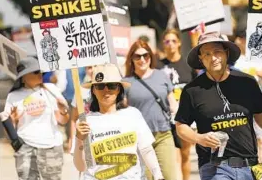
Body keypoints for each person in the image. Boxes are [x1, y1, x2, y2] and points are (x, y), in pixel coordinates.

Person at [175, 31, 262, 180]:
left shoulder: (247, 83)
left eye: (217, 52)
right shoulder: (192, 90)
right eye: (207, 54)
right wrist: (199, 138)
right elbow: (181, 126)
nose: (213, 58)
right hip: (214, 167)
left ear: (226, 53)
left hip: (249, 165)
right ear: (201, 59)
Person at [73, 64, 164, 180]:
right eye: (100, 86)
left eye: (111, 85)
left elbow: (146, 149)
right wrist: (79, 139)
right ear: (94, 90)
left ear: (119, 89)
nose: (106, 90)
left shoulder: (133, 114)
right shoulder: (84, 122)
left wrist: (158, 176)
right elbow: (80, 167)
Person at [0, 56, 69, 180]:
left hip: (51, 147)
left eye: (41, 71)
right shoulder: (13, 96)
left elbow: (63, 121)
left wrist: (63, 111)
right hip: (26, 147)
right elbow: (8, 132)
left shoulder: (52, 90)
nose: (40, 74)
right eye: (36, 72)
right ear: (24, 76)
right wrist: (13, 120)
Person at [123, 40, 178, 180]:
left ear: (150, 57)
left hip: (163, 134)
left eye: (145, 55)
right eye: (137, 56)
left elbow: (173, 104)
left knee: (170, 176)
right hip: (139, 139)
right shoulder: (126, 82)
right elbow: (122, 112)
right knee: (146, 178)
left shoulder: (161, 75)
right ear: (131, 59)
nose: (142, 59)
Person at [156, 29, 196, 180]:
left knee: (185, 154)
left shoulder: (188, 65)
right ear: (163, 45)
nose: (170, 44)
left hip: (185, 116)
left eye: (173, 41)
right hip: (165, 117)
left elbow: (195, 90)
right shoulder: (158, 66)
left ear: (179, 43)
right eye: (167, 41)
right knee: (173, 155)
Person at [234, 33, 262, 167]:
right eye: (244, 38)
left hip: (258, 105)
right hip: (239, 106)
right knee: (246, 141)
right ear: (238, 40)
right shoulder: (234, 61)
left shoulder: (260, 59)